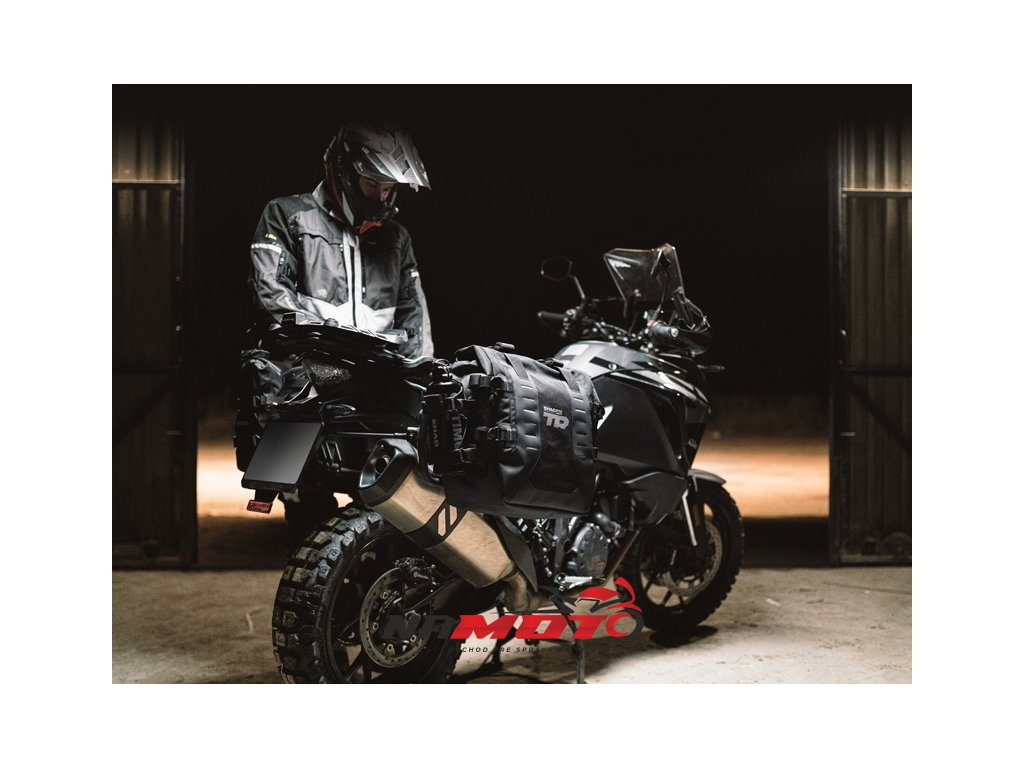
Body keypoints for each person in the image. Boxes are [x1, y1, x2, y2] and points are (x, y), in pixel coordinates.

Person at [240, 118, 434, 546]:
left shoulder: (396, 238)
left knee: (394, 517)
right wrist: (325, 348)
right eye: (372, 184)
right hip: (306, 385)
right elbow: (270, 294)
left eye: (389, 188)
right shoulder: (287, 215)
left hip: (378, 393)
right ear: (343, 173)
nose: (381, 196)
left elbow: (414, 317)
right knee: (309, 523)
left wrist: (420, 381)